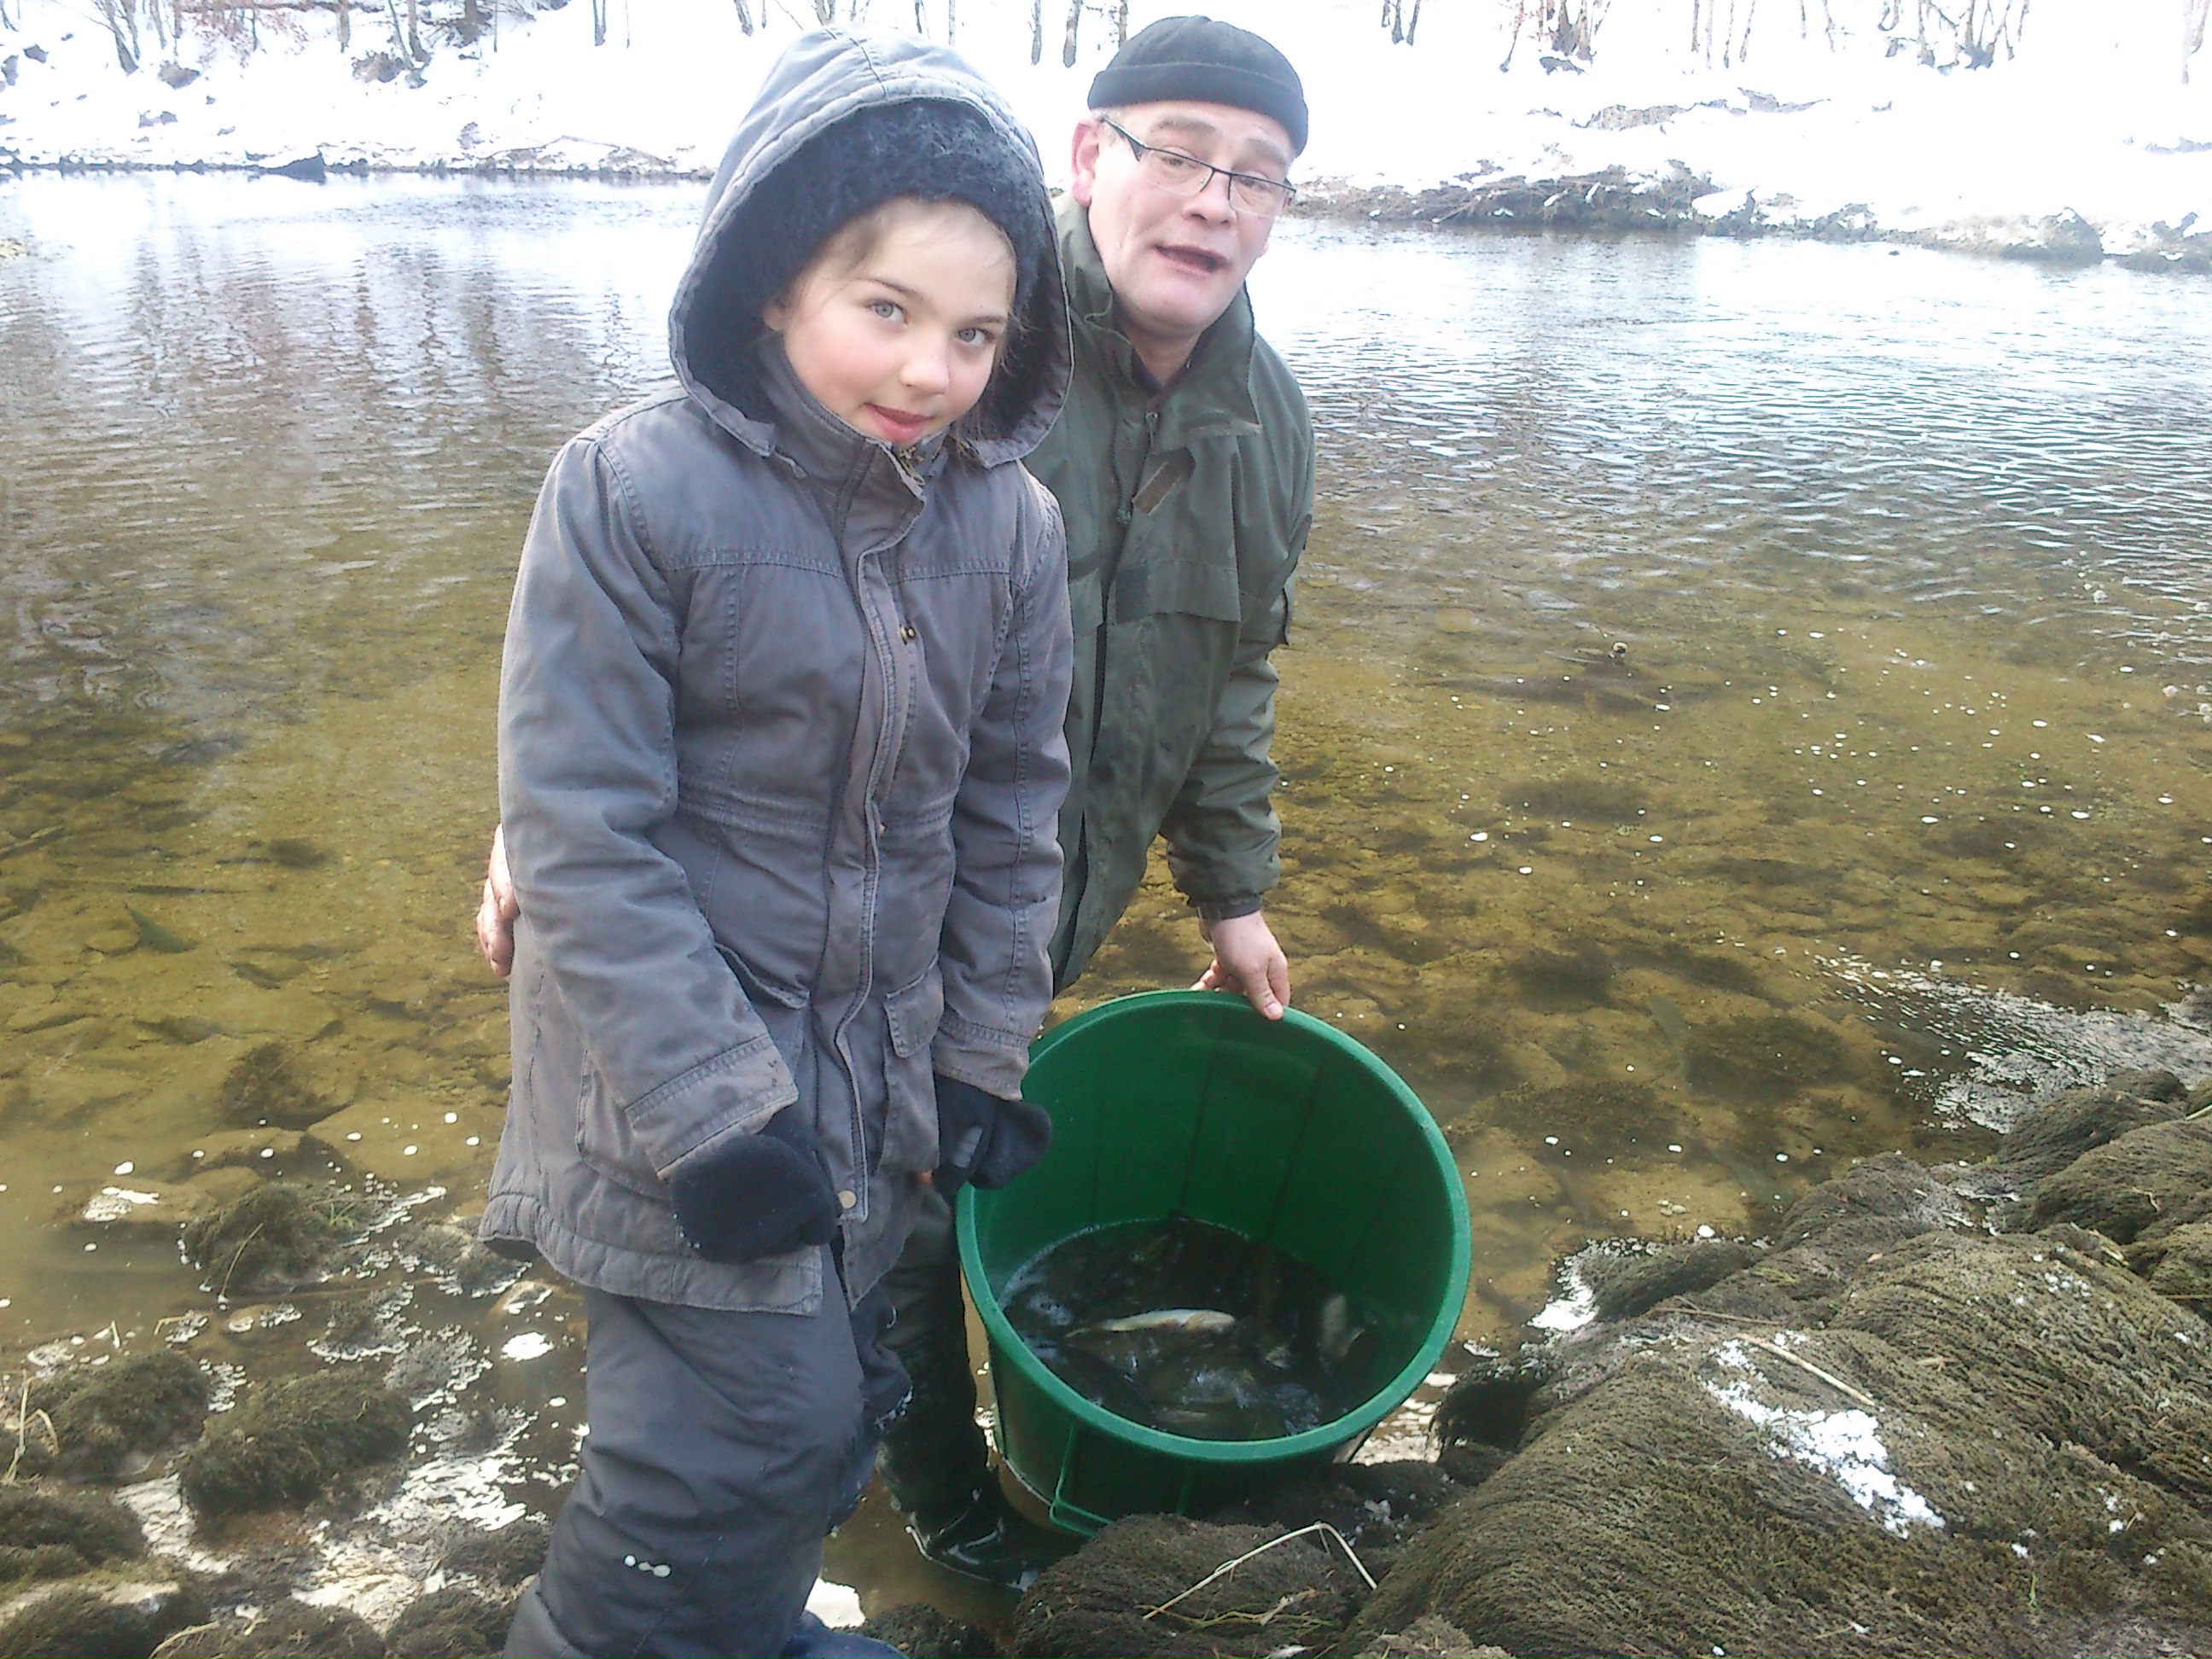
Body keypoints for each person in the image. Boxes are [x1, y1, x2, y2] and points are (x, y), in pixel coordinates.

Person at [477, 13, 1315, 1592]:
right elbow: (634, 704)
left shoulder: (1261, 426)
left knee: (895, 1248)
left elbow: (1230, 677)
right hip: (762, 979)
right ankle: (916, 1512)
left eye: (1257, 173)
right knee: (763, 1389)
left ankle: (837, 1518)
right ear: (1093, 157)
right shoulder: (952, 325)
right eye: (1181, 152)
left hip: (999, 929)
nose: (1214, 199)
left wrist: (1233, 888)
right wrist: (534, 827)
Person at [480, 29, 1072, 1659]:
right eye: (886, 310)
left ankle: (745, 1633)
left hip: (877, 1087)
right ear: (769, 285)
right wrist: (714, 1114)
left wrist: (982, 1056)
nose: (930, 371)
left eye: (975, 333)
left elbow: (1017, 813)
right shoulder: (629, 492)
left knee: (835, 1409)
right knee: (732, 1441)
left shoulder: (1014, 528)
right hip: (671, 1100)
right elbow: (580, 831)